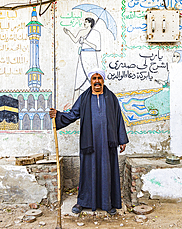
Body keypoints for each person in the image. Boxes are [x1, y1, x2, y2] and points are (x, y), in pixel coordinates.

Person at [49, 67, 128, 215]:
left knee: (107, 170)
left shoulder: (111, 98)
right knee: (88, 171)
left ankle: (108, 202)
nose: (97, 81)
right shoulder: (84, 98)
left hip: (107, 143)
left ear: (103, 80)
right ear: (91, 81)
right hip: (89, 143)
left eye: (99, 78)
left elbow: (118, 119)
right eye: (94, 78)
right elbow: (72, 115)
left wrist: (122, 139)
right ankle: (83, 202)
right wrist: (57, 115)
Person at [63, 17, 101, 102]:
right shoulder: (81, 32)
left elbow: (97, 47)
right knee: (78, 81)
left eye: (86, 22)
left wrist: (85, 41)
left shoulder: (95, 33)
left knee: (93, 79)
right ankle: (74, 105)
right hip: (82, 55)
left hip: (91, 57)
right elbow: (75, 40)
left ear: (90, 23)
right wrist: (69, 33)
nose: (84, 23)